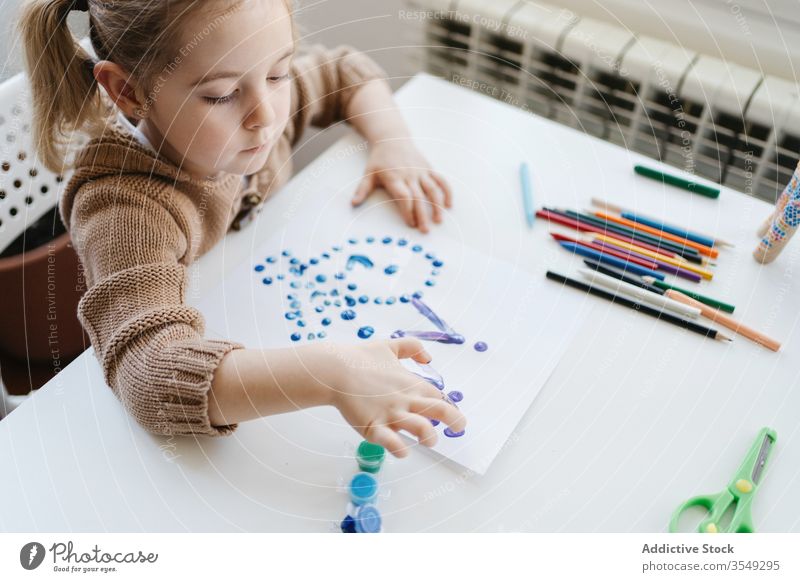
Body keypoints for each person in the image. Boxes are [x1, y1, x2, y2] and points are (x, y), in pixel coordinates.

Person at [18, 0, 466, 457]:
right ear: (128, 92)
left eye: (279, 73)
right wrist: (329, 372)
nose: (266, 115)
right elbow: (151, 374)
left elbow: (345, 71)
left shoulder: (253, 110)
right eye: (221, 95)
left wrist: (393, 143)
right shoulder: (124, 211)